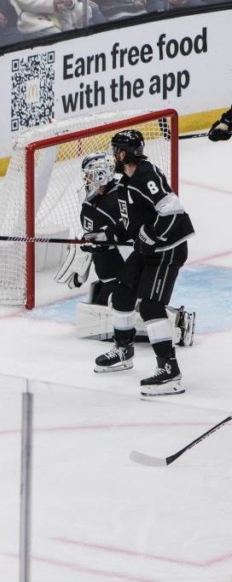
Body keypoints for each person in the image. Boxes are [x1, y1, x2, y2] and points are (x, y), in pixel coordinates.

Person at [54, 152, 195, 347]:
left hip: (130, 267)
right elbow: (100, 235)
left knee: (117, 307)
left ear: (101, 174)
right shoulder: (91, 202)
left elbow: (132, 236)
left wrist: (113, 244)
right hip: (113, 272)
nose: (86, 179)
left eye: (89, 174)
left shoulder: (120, 197)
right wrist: (92, 245)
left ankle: (177, 324)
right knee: (99, 299)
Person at [93, 130, 194, 397]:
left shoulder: (145, 175)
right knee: (122, 292)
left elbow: (173, 210)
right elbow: (132, 225)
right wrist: (104, 237)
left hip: (168, 249)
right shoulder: (125, 182)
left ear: (122, 154)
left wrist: (151, 235)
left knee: (150, 306)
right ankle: (123, 350)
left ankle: (170, 371)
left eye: (115, 151)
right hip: (149, 248)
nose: (113, 155)